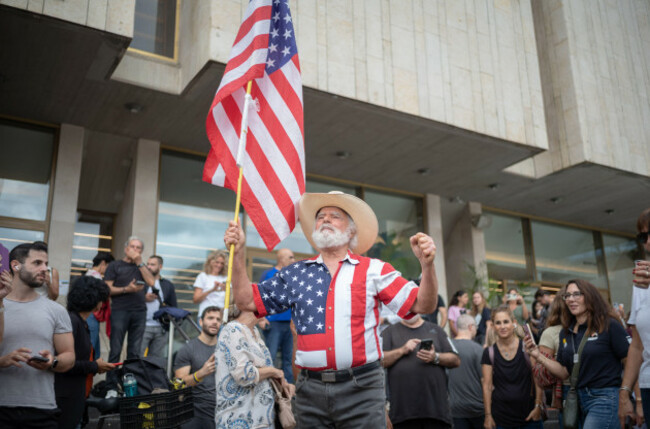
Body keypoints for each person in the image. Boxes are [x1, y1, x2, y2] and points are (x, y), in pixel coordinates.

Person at [224, 191, 439, 428]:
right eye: (320, 216)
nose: (325, 219)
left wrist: (427, 266)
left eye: (334, 216)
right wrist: (240, 251)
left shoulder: (375, 269)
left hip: (363, 389)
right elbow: (246, 302)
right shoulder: (296, 273)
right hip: (310, 391)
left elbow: (423, 305)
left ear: (351, 231)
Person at [525, 280, 630, 429]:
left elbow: (630, 360)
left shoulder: (608, 324)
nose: (571, 299)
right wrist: (538, 355)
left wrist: (632, 397)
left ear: (589, 296)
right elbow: (563, 372)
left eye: (576, 294)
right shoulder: (566, 332)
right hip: (578, 399)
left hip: (605, 397)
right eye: (567, 295)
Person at [0, 241, 75, 429]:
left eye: (46, 264)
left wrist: (53, 362)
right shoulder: (0, 304)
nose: (44, 269)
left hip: (41, 409)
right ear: (15, 265)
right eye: (37, 263)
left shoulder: (56, 310)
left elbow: (69, 357)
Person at [215, 305, 293, 428]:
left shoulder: (254, 331)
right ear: (245, 305)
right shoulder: (233, 330)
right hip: (240, 418)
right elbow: (244, 375)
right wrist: (274, 371)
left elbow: (263, 367)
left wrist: (283, 383)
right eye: (261, 300)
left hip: (261, 418)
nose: (267, 303)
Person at [55, 276, 115, 429]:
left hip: (75, 396)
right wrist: (95, 366)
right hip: (65, 399)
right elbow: (64, 364)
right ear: (96, 301)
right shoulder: (73, 322)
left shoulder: (80, 322)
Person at [382, 313, 460, 429]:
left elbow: (456, 360)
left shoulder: (437, 330)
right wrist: (402, 350)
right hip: (402, 415)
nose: (410, 310)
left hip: (436, 413)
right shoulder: (389, 332)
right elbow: (379, 361)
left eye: (414, 305)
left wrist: (436, 357)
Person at [104, 236, 155, 390]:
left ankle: (130, 387)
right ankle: (111, 387)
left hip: (139, 312)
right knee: (116, 350)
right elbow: (107, 289)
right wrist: (127, 289)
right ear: (126, 248)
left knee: (134, 352)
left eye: (138, 248)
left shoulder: (142, 267)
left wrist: (140, 262)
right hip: (120, 310)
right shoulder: (115, 266)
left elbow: (152, 282)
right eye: (132, 246)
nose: (135, 250)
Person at [482, 305, 544, 429]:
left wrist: (538, 406)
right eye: (498, 323)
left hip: (530, 417)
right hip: (502, 419)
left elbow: (538, 378)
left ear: (514, 323)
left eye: (506, 321)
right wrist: (488, 415)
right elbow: (487, 386)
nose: (503, 326)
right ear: (493, 327)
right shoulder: (489, 353)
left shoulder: (526, 348)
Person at [620, 207, 650, 427]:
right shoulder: (641, 281)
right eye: (643, 236)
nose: (647, 242)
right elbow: (637, 346)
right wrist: (626, 393)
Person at [174, 306, 222, 429]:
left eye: (218, 319)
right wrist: (201, 373)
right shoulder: (188, 349)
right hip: (199, 409)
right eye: (210, 318)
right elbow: (179, 385)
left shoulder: (225, 349)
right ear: (200, 322)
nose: (215, 322)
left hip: (225, 408)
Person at [259, 248, 296, 383]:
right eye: (291, 257)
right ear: (281, 259)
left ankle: (288, 390)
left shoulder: (294, 276)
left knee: (289, 358)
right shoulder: (268, 274)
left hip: (290, 323)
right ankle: (270, 389)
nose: (294, 260)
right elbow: (260, 296)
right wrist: (261, 318)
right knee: (270, 356)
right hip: (273, 323)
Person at [449, 314, 485, 429]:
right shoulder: (478, 349)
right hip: (478, 409)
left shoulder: (447, 349)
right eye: (475, 326)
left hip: (454, 409)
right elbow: (485, 381)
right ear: (470, 327)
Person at [141, 255, 177, 362]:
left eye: (152, 264)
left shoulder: (167, 284)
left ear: (160, 266)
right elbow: (132, 301)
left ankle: (151, 379)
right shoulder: (141, 282)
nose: (149, 267)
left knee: (155, 360)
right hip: (143, 326)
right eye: (148, 264)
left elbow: (173, 306)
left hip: (160, 328)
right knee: (137, 357)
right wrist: (144, 298)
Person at [85, 251, 114, 359]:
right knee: (91, 347)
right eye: (109, 267)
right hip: (92, 314)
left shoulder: (88, 275)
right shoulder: (95, 278)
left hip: (89, 315)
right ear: (103, 263)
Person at [193, 250, 228, 319]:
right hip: (206, 315)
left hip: (222, 316)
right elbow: (196, 299)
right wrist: (212, 290)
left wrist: (227, 290)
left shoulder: (226, 278)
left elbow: (233, 301)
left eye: (222, 263)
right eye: (217, 262)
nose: (219, 265)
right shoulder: (203, 276)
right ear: (210, 262)